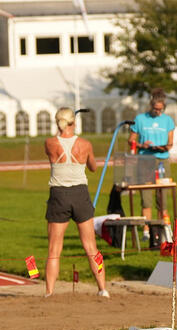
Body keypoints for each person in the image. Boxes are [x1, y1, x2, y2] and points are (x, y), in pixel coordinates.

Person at [44, 107, 108, 298]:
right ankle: (102, 289)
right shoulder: (85, 144)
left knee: (54, 248)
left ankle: (49, 292)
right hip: (80, 194)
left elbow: (55, 151)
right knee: (91, 246)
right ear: (73, 122)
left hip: (59, 195)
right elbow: (93, 167)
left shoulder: (49, 143)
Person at [128, 88, 175, 241]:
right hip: (145, 160)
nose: (157, 112)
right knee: (146, 197)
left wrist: (163, 146)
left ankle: (163, 231)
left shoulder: (168, 120)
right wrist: (142, 145)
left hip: (162, 159)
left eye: (160, 109)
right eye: (155, 109)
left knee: (162, 198)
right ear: (151, 105)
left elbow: (170, 143)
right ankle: (146, 232)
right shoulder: (140, 119)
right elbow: (131, 141)